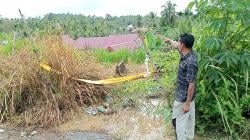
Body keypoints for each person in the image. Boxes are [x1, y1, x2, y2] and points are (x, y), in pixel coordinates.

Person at [165, 33, 198, 140]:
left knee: (178, 123)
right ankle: (189, 137)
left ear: (183, 44)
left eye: (179, 41)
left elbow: (191, 84)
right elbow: (175, 44)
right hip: (189, 97)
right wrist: (169, 40)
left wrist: (187, 104)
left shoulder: (190, 62)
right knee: (190, 121)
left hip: (184, 98)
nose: (177, 43)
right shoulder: (185, 52)